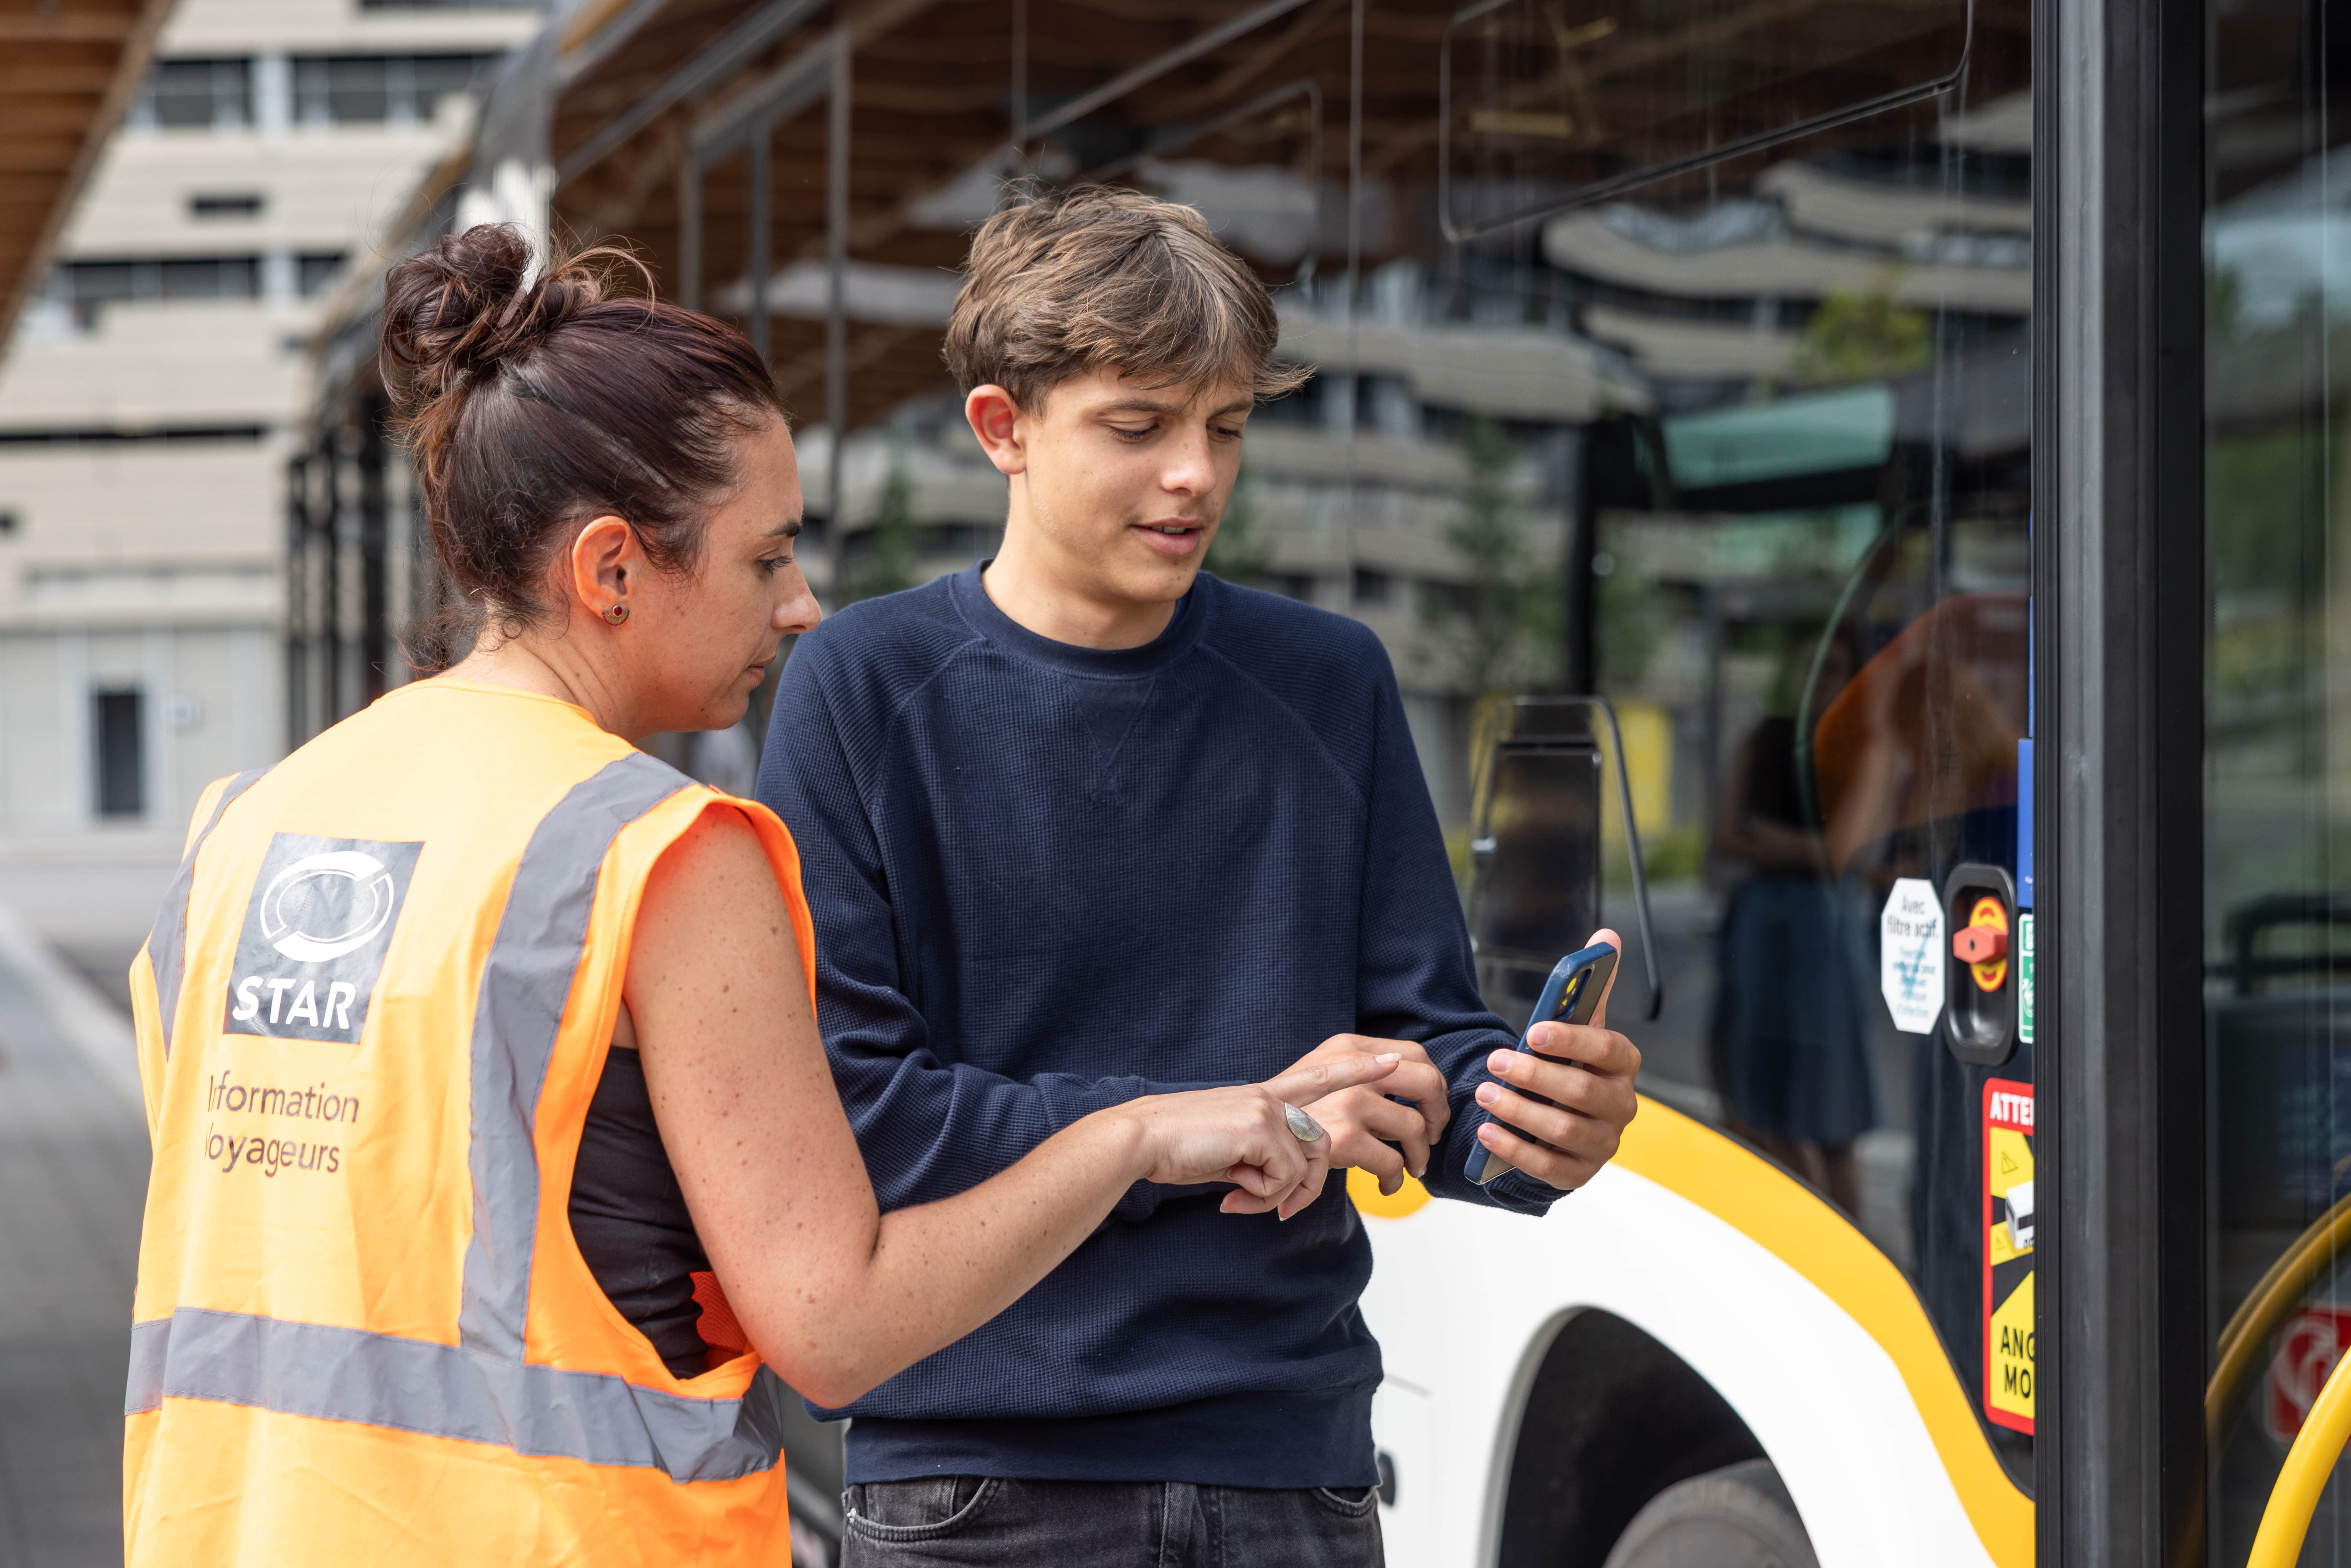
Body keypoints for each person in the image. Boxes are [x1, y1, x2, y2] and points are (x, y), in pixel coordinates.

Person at [119, 224, 1398, 1566]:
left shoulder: (243, 834)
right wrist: (1136, 1138)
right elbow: (832, 1332)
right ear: (612, 569)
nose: (801, 608)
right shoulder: (657, 849)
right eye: (764, 558)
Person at [757, 184, 1644, 1566]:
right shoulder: (860, 688)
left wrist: (1525, 1123)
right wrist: (1203, 1124)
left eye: (1225, 425)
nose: (1197, 474)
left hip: (1292, 1468)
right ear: (1004, 428)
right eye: (1140, 426)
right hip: (976, 1483)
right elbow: (862, 1117)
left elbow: (1418, 1047)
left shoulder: (1329, 678)